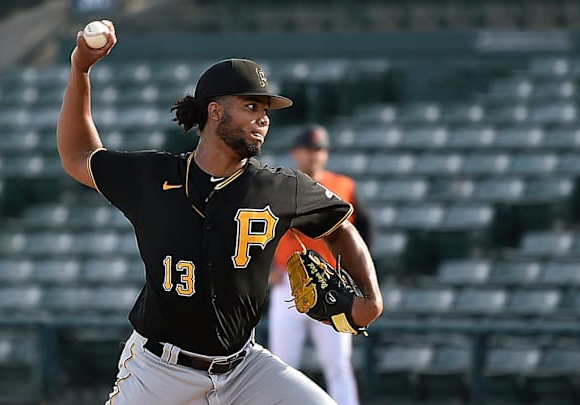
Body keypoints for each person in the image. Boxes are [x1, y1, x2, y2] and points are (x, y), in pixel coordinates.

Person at [57, 20, 383, 405]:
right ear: (214, 111)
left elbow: (339, 226)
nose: (263, 117)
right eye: (250, 105)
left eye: (265, 109)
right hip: (159, 372)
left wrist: (371, 297)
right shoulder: (153, 177)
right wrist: (80, 69)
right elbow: (78, 156)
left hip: (244, 369)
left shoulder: (280, 187)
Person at [269, 124, 374, 405]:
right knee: (281, 364)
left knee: (338, 365)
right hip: (288, 289)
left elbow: (364, 231)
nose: (313, 156)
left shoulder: (343, 186)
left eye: (319, 149)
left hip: (332, 290)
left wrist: (354, 275)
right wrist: (268, 271)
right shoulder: (281, 187)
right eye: (308, 149)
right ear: (295, 153)